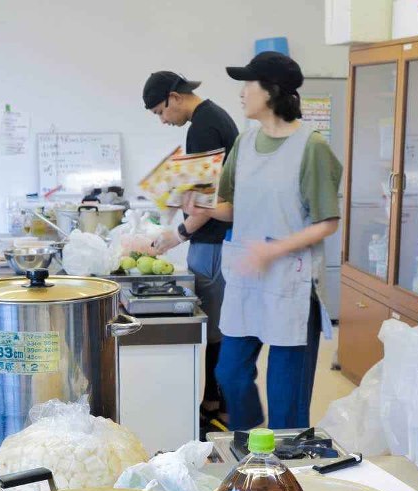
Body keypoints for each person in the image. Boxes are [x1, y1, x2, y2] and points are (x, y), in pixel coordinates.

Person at [184, 52, 342, 430]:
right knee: (230, 372)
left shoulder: (311, 147)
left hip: (291, 281)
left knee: (286, 396)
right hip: (247, 278)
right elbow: (231, 207)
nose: (241, 93)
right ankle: (251, 436)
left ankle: (284, 456)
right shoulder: (245, 143)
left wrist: (273, 249)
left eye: (247, 84)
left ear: (270, 91)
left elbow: (327, 222)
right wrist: (203, 206)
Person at [144, 70, 239, 425]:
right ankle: (213, 401)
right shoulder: (212, 118)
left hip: (213, 241)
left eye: (160, 112)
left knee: (215, 329)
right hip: (216, 238)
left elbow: (204, 201)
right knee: (217, 326)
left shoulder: (202, 127)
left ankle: (220, 407)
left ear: (174, 97)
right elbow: (201, 189)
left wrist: (178, 235)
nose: (163, 120)